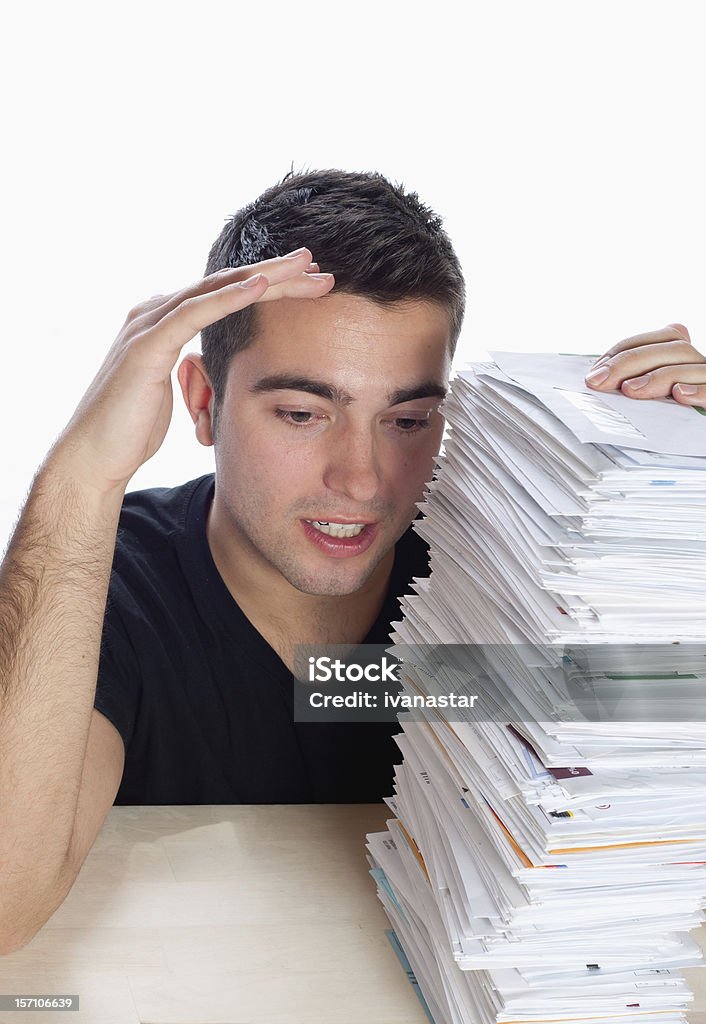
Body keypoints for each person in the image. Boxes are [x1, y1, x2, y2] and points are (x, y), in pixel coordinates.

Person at [0, 169, 704, 955]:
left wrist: (675, 507)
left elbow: (662, 759)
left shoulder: (496, 576)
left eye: (407, 419)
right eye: (303, 414)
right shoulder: (100, 587)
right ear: (203, 403)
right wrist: (80, 475)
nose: (362, 480)